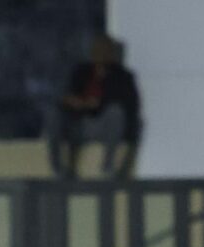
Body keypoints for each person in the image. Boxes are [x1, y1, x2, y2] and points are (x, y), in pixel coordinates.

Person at [48, 35, 141, 179]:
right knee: (54, 115)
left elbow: (129, 104)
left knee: (115, 113)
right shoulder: (81, 71)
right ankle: (58, 168)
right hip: (78, 122)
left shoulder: (122, 76)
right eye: (97, 49)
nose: (100, 53)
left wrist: (98, 103)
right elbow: (68, 94)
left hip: (103, 124)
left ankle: (108, 166)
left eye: (104, 50)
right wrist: (74, 102)